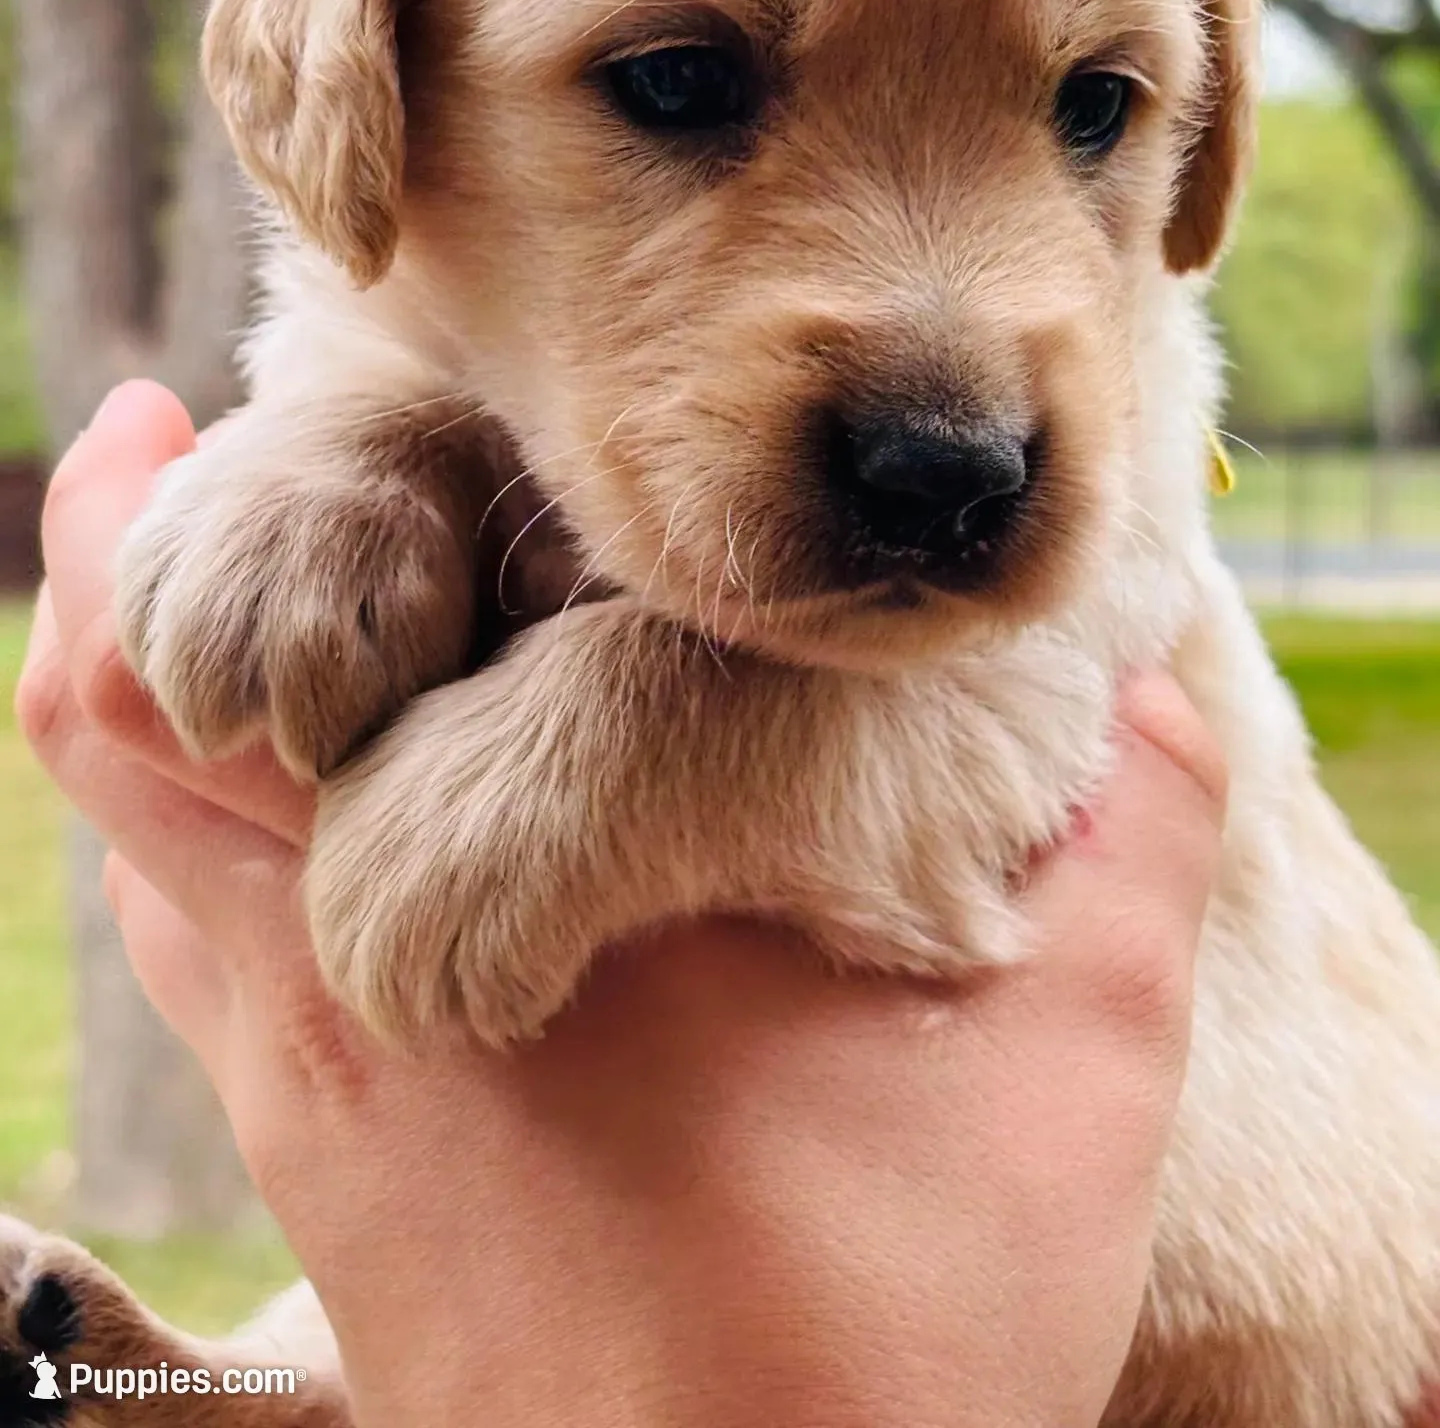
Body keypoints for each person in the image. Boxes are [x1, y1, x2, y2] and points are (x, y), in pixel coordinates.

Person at [19, 380, 1232, 1428]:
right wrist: (372, 454)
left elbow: (1027, 728)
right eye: (677, 91)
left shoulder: (1109, 425)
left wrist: (629, 743)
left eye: (1092, 110)